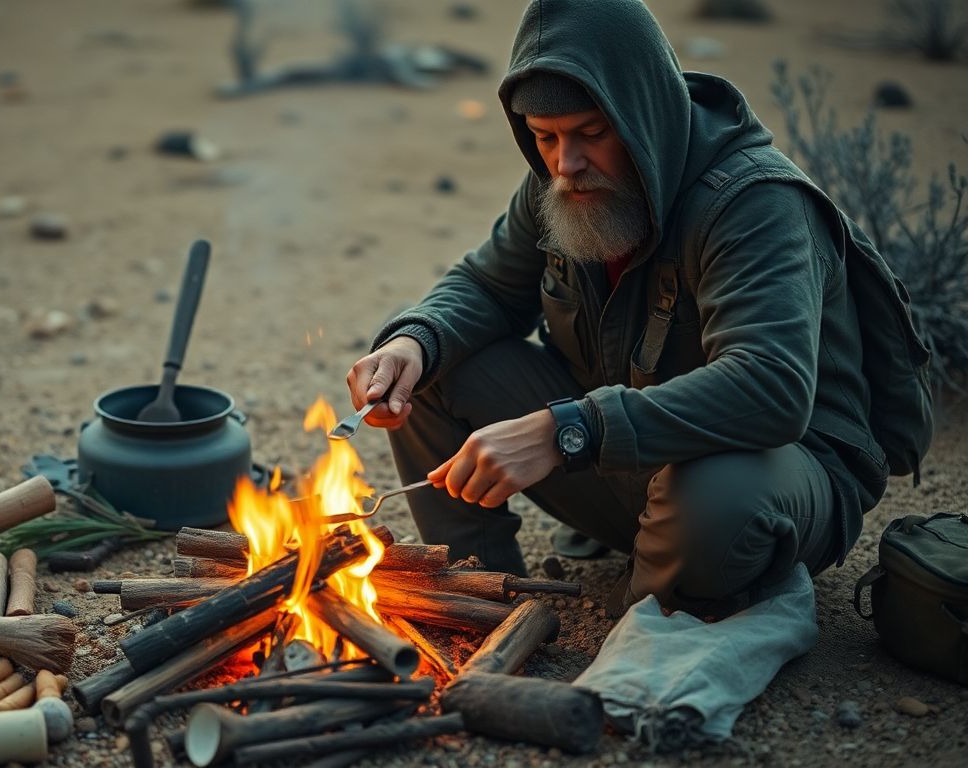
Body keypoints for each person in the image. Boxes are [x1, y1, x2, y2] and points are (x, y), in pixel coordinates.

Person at [345, 0, 894, 617]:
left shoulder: (754, 204)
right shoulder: (557, 181)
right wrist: (411, 343)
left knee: (715, 499)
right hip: (629, 458)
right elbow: (485, 288)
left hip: (776, 480)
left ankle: (645, 621)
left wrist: (567, 430)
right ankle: (480, 601)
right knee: (433, 363)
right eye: (544, 137)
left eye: (591, 133)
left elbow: (771, 389)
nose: (565, 164)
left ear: (644, 112)